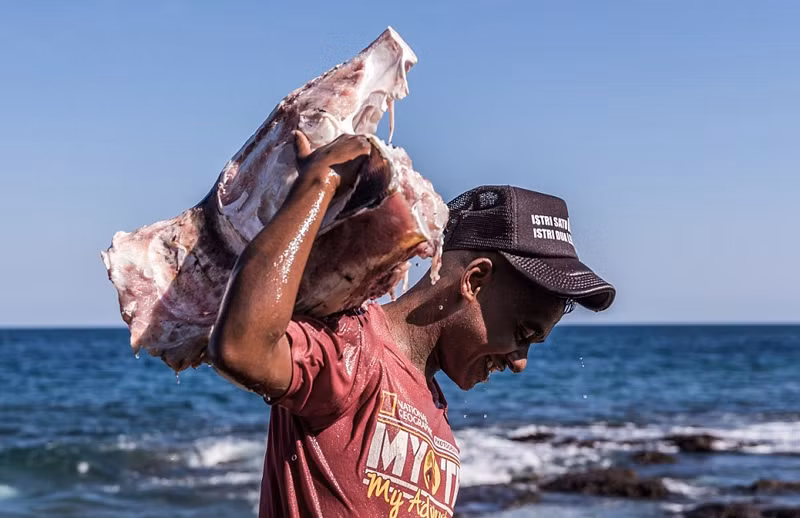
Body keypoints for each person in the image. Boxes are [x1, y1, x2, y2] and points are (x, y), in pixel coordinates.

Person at [208, 132, 616, 518]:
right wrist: (321, 182)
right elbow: (242, 348)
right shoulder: (356, 351)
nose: (520, 362)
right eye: (523, 334)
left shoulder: (440, 427)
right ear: (474, 281)